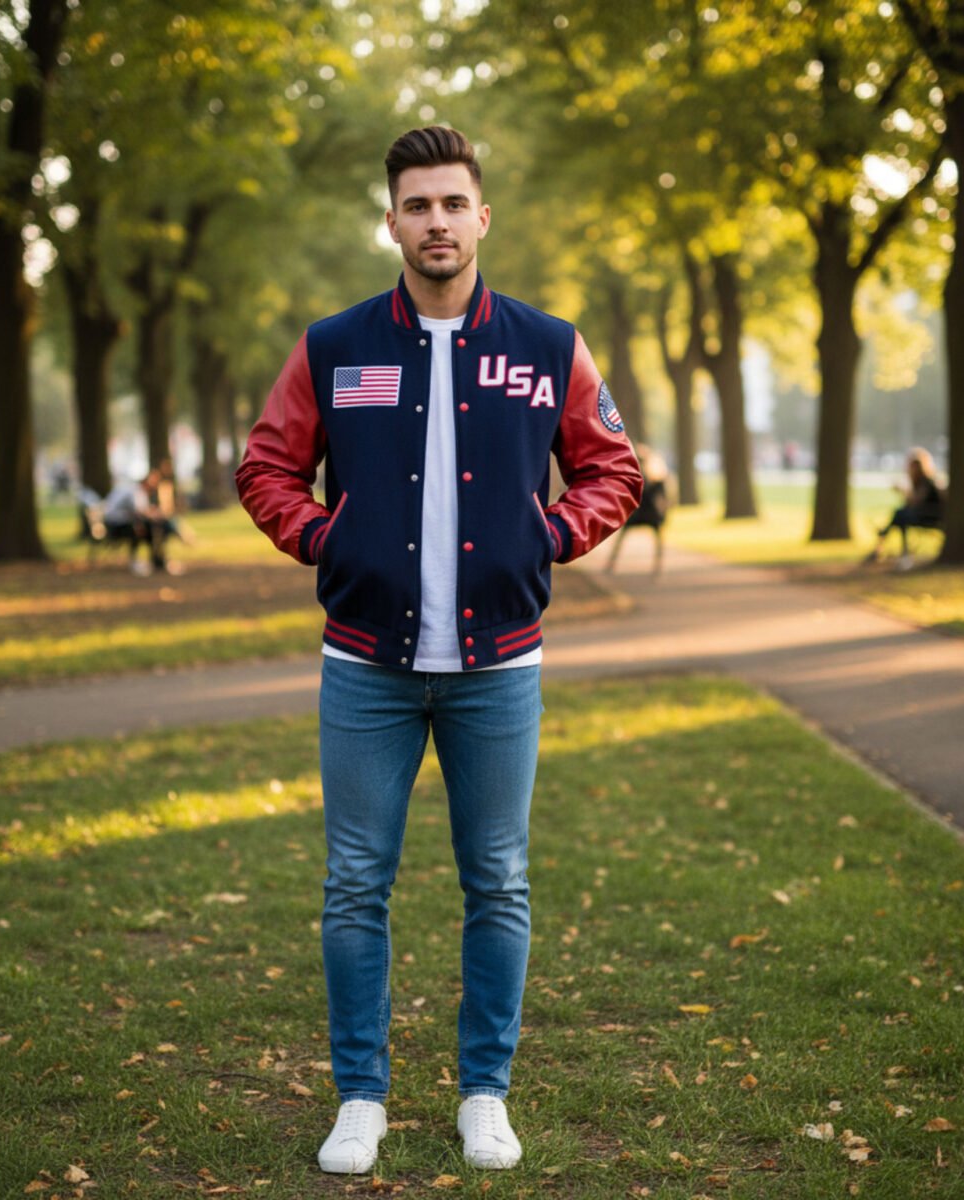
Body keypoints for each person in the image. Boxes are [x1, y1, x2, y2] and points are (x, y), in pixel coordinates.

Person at [236, 126, 643, 1175]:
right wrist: (327, 538)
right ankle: (361, 1098)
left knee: (497, 881)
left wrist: (547, 536)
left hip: (498, 668)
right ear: (392, 222)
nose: (436, 222)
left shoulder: (550, 347)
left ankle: (484, 1093)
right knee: (354, 886)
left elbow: (613, 470)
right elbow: (266, 469)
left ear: (481, 216)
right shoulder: (334, 347)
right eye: (416, 206)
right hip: (365, 666)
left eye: (453, 203)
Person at [863, 447, 945, 566]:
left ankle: (885, 540)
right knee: (901, 514)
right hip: (922, 515)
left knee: (900, 515)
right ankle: (896, 547)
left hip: (930, 517)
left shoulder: (927, 482)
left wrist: (902, 491)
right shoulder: (919, 482)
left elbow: (917, 502)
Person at [605, 444, 671, 575]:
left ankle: (612, 564)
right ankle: (657, 569)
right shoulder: (651, 476)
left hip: (644, 513)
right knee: (656, 540)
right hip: (646, 514)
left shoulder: (649, 477)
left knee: (654, 540)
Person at [102, 469, 174, 575]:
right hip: (115, 525)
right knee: (144, 528)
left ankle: (158, 559)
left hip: (118, 522)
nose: (154, 486)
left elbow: (141, 511)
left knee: (155, 528)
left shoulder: (137, 491)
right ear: (146, 482)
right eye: (153, 483)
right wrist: (156, 514)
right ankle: (140, 561)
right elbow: (139, 512)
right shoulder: (136, 491)